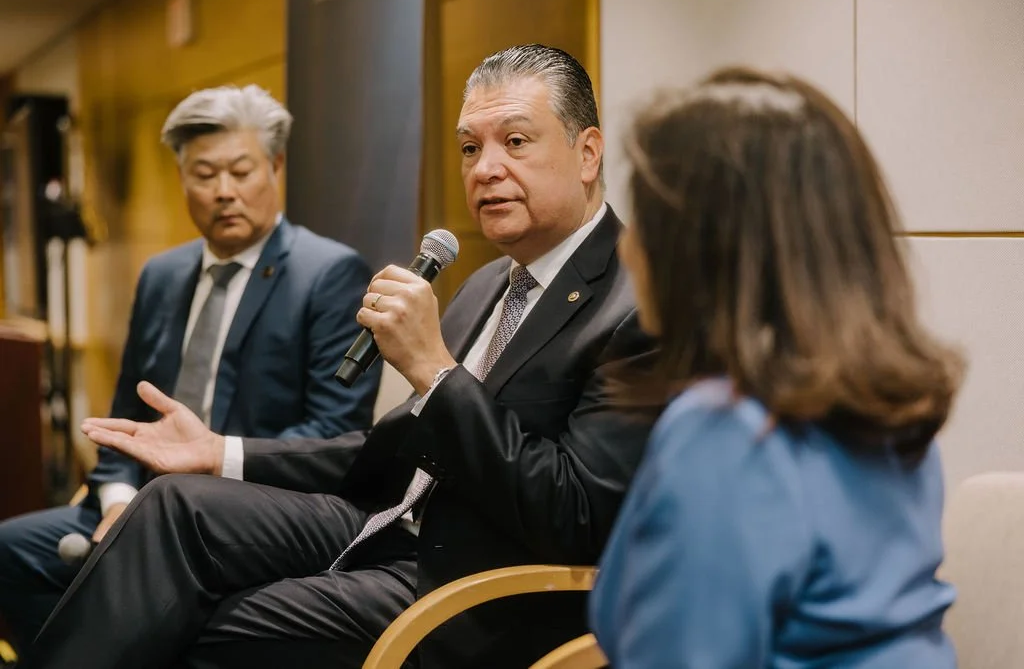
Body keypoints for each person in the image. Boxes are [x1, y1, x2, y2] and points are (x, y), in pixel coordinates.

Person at [19, 45, 656, 669]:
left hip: (476, 582)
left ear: (587, 153)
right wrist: (221, 452)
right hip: (387, 522)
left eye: (515, 142)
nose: (485, 168)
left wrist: (436, 372)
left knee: (200, 617)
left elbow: (576, 515)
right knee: (175, 501)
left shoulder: (638, 307)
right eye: (470, 147)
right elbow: (389, 448)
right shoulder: (489, 282)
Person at [588, 67, 964, 668]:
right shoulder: (895, 407)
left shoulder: (725, 435)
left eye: (649, 223)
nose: (629, 248)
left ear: (711, 248)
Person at [0, 84, 380, 655]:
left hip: (242, 512)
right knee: (11, 550)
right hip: (138, 502)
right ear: (183, 181)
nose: (225, 191)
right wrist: (120, 504)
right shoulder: (162, 275)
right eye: (204, 174)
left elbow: (334, 432)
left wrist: (204, 473)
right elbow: (125, 416)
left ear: (275, 167)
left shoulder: (328, 274)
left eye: (241, 171)